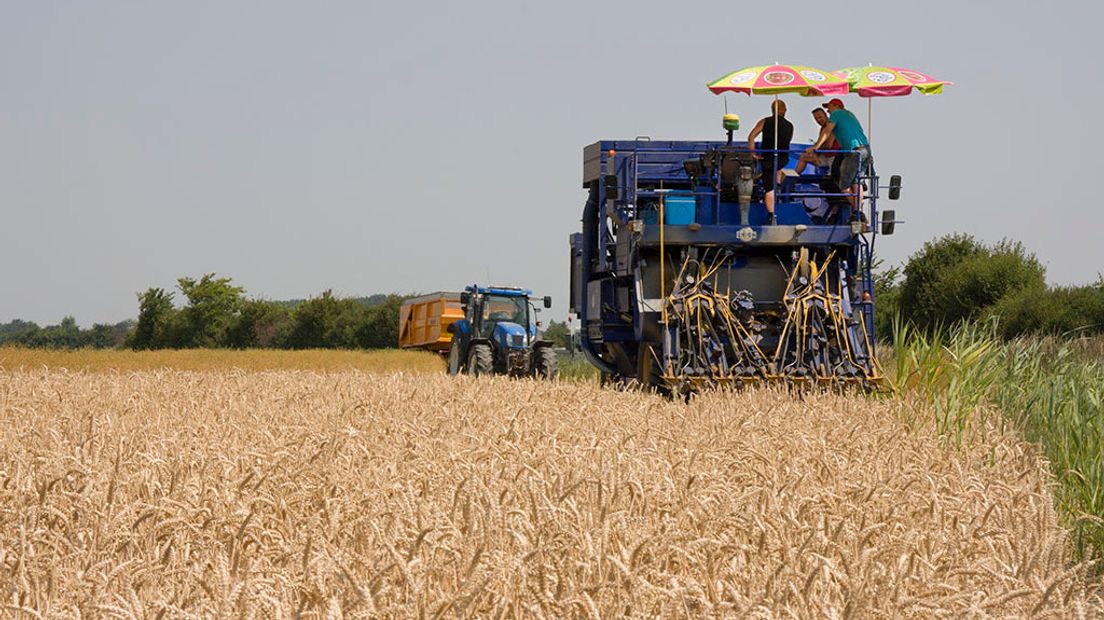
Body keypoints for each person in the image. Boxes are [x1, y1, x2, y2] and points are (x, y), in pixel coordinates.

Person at [805, 98, 872, 213]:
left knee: (843, 185)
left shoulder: (836, 113)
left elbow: (827, 131)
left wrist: (815, 147)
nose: (828, 111)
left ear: (836, 105)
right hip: (865, 149)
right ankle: (858, 211)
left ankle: (858, 211)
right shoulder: (849, 115)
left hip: (853, 151)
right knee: (857, 182)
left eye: (829, 107)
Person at [747, 100, 793, 223]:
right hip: (782, 158)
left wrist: (752, 153)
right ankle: (778, 183)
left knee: (769, 189)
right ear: (783, 110)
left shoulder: (764, 121)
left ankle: (771, 214)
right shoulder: (790, 126)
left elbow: (751, 136)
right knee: (779, 168)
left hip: (767, 158)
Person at [795, 107, 840, 174]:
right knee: (804, 156)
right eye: (816, 119)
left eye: (820, 117)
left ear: (825, 114)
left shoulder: (831, 126)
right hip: (825, 156)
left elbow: (828, 145)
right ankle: (794, 176)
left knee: (833, 181)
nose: (819, 120)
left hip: (834, 157)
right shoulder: (823, 128)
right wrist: (814, 152)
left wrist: (815, 148)